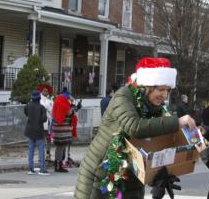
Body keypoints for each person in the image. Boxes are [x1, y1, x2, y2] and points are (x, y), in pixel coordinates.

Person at [74, 57, 196, 199]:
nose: (164, 95)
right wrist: (177, 122)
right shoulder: (124, 95)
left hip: (132, 180)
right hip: (101, 177)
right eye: (161, 89)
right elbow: (135, 127)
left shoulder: (156, 108)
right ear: (147, 86)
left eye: (168, 90)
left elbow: (155, 145)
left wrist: (160, 174)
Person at [24, 91, 50, 175]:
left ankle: (31, 169)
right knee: (41, 149)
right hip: (39, 130)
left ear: (32, 98)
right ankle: (42, 169)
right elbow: (44, 119)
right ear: (39, 98)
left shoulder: (27, 106)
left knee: (31, 149)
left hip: (30, 130)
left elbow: (26, 114)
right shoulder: (42, 107)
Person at [52, 90, 77, 173]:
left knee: (59, 148)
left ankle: (58, 165)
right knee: (60, 148)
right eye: (69, 96)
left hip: (57, 129)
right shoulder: (63, 103)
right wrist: (73, 105)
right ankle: (58, 166)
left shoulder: (58, 101)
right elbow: (70, 113)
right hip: (61, 131)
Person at [38, 86, 54, 162]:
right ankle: (40, 156)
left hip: (48, 123)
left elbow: (52, 111)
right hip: (40, 123)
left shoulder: (50, 100)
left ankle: (47, 155)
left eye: (47, 91)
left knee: (48, 140)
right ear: (42, 91)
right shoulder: (39, 100)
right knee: (41, 140)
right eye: (44, 91)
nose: (45, 92)